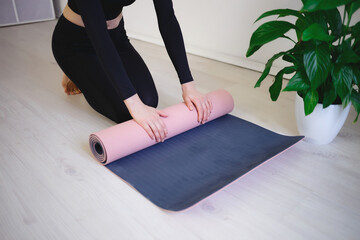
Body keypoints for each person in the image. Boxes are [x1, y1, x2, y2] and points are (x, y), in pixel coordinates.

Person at [51, 0, 212, 143]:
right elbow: (99, 37)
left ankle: (90, 71)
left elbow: (167, 19)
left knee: (148, 101)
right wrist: (134, 105)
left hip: (116, 38)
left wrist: (188, 85)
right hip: (75, 44)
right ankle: (75, 71)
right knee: (126, 111)